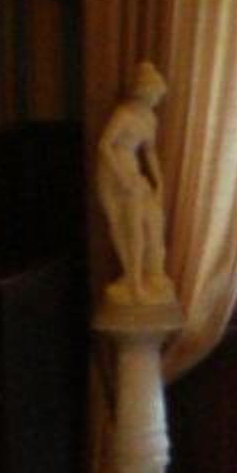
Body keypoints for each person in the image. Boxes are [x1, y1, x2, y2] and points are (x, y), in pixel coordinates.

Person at [95, 61, 173, 309]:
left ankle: (146, 275)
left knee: (150, 219)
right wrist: (121, 178)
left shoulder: (150, 118)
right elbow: (104, 145)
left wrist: (159, 182)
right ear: (145, 91)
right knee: (128, 224)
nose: (158, 98)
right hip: (113, 172)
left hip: (132, 171)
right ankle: (134, 282)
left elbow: (149, 152)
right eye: (156, 93)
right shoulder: (124, 114)